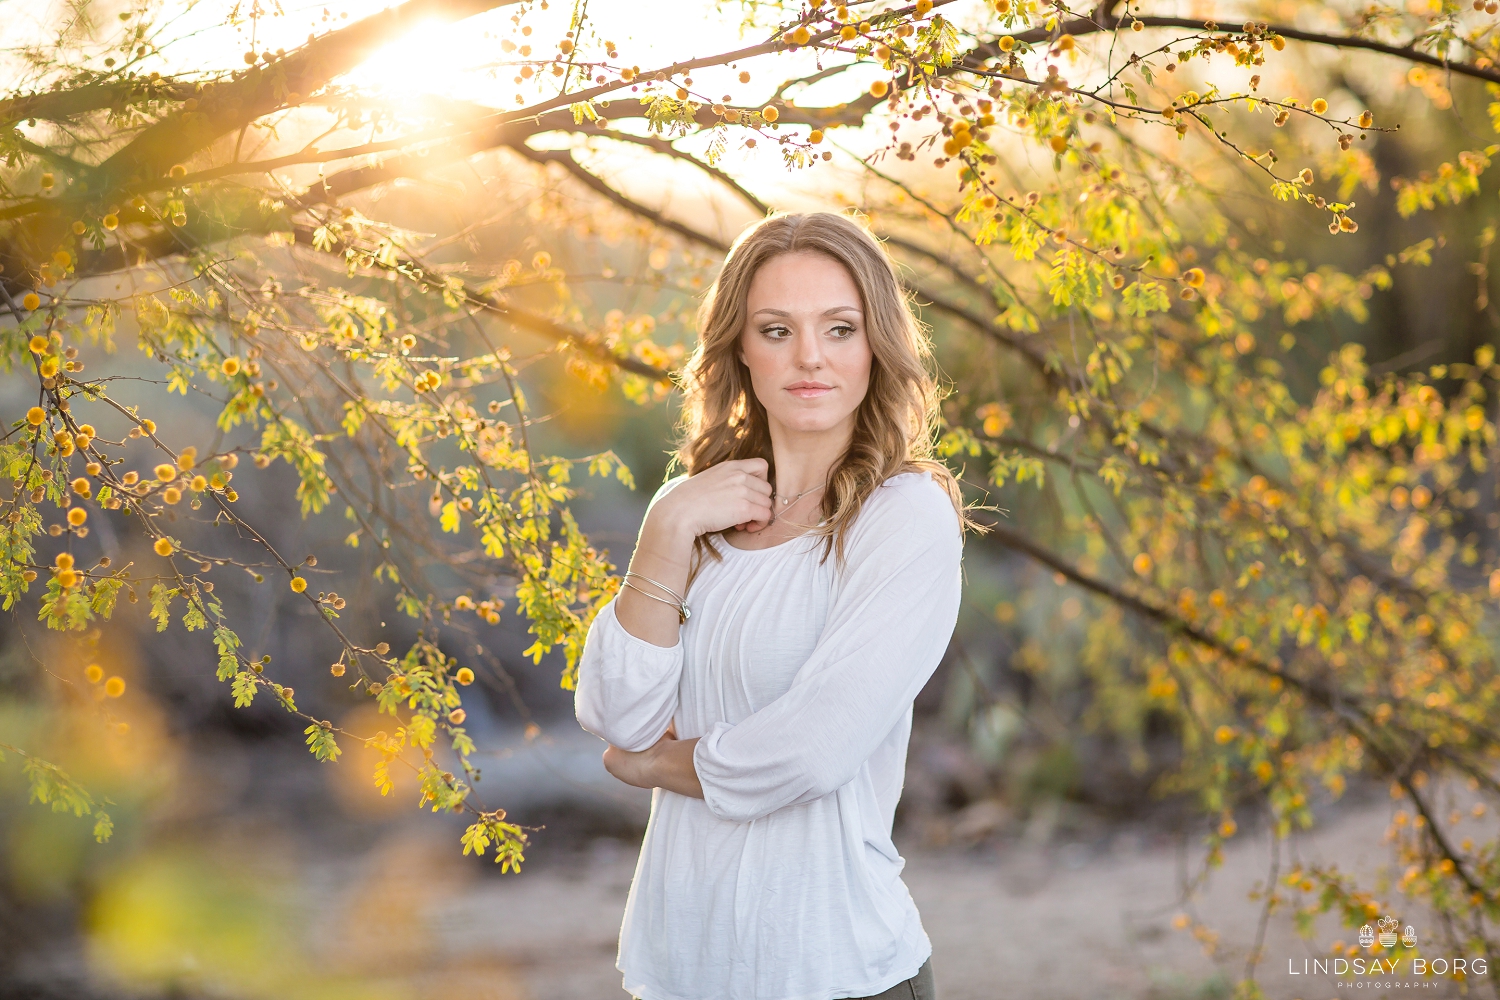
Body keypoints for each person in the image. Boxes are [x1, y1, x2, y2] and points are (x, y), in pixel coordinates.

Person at [574, 211, 974, 1000]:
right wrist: (666, 527)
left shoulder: (903, 516)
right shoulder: (694, 510)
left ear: (875, 347)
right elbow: (616, 713)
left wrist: (659, 763)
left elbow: (812, 750)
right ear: (740, 351)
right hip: (679, 970)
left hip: (833, 967)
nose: (811, 357)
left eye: (839, 327)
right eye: (777, 329)